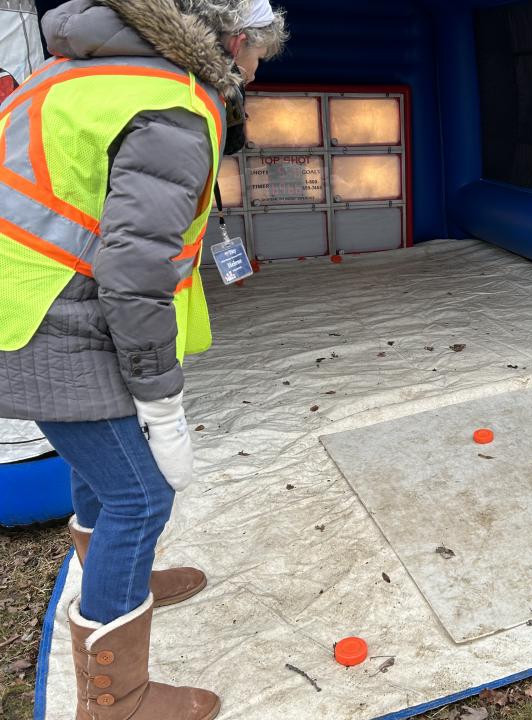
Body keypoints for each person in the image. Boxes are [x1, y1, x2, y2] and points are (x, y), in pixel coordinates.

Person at [0, 1, 286, 717]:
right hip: (51, 319)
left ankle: (119, 576)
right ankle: (116, 698)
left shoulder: (82, 72)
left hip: (31, 306)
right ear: (238, 41)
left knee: (102, 474)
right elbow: (134, 274)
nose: (254, 74)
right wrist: (161, 400)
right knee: (142, 493)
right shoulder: (172, 107)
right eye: (259, 59)